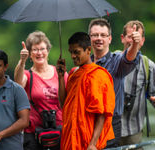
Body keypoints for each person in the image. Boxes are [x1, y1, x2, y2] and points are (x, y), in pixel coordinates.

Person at [57, 32, 115, 150]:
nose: (72, 56)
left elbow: (101, 114)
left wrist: (93, 144)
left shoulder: (98, 75)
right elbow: (64, 104)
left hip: (87, 140)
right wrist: (61, 77)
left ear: (88, 50)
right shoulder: (73, 74)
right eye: (71, 52)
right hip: (70, 138)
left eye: (76, 52)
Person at [88, 18, 141, 147]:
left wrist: (134, 45)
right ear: (90, 38)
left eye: (103, 35)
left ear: (110, 39)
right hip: (88, 123)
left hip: (110, 124)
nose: (99, 38)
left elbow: (129, 59)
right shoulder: (85, 64)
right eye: (95, 35)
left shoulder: (117, 62)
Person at [14, 31, 68, 149]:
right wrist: (22, 61)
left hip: (60, 130)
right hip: (34, 134)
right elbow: (17, 84)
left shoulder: (60, 73)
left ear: (48, 51)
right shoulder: (28, 75)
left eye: (42, 49)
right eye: (35, 50)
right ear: (29, 53)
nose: (39, 53)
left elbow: (69, 99)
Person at [119, 20, 155, 148]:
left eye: (137, 37)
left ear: (143, 41)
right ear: (122, 38)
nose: (133, 40)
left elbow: (152, 96)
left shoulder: (149, 66)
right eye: (130, 36)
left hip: (133, 131)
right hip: (109, 129)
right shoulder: (111, 60)